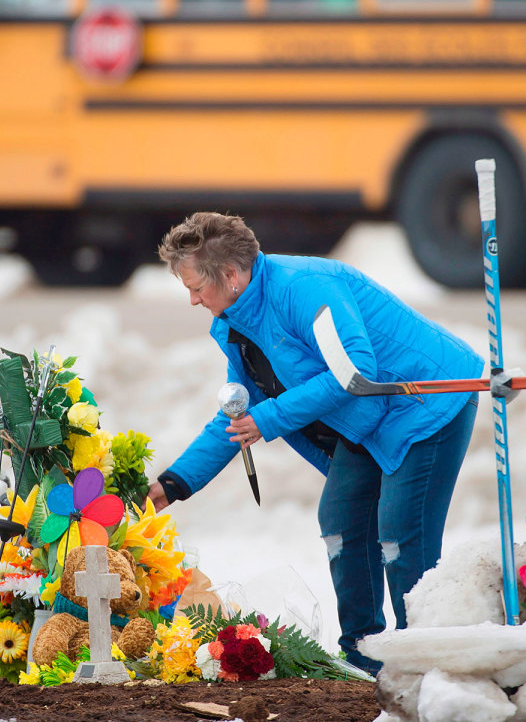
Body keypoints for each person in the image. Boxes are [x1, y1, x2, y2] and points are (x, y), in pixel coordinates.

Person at [146, 212, 483, 674]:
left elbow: (353, 371)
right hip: (369, 420)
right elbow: (238, 414)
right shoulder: (237, 322)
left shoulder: (303, 288)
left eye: (195, 287)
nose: (191, 300)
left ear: (228, 275)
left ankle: (425, 665)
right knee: (340, 518)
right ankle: (364, 658)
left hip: (425, 401)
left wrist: (268, 418)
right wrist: (171, 484)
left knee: (399, 534)